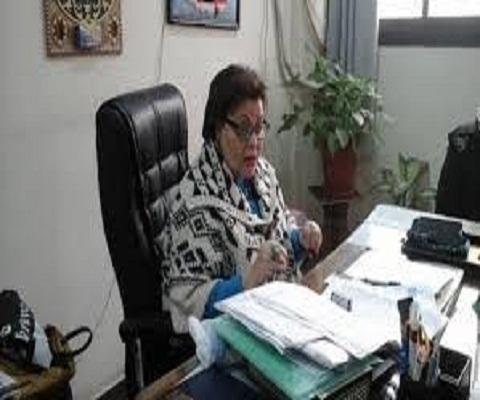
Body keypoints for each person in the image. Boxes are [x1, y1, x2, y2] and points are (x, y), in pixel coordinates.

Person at [161, 64, 322, 333]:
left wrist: (300, 240)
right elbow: (187, 298)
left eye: (259, 127)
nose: (254, 141)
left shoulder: (264, 176)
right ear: (217, 128)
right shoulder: (195, 202)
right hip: (230, 336)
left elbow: (276, 247)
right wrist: (247, 280)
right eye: (244, 128)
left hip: (278, 317)